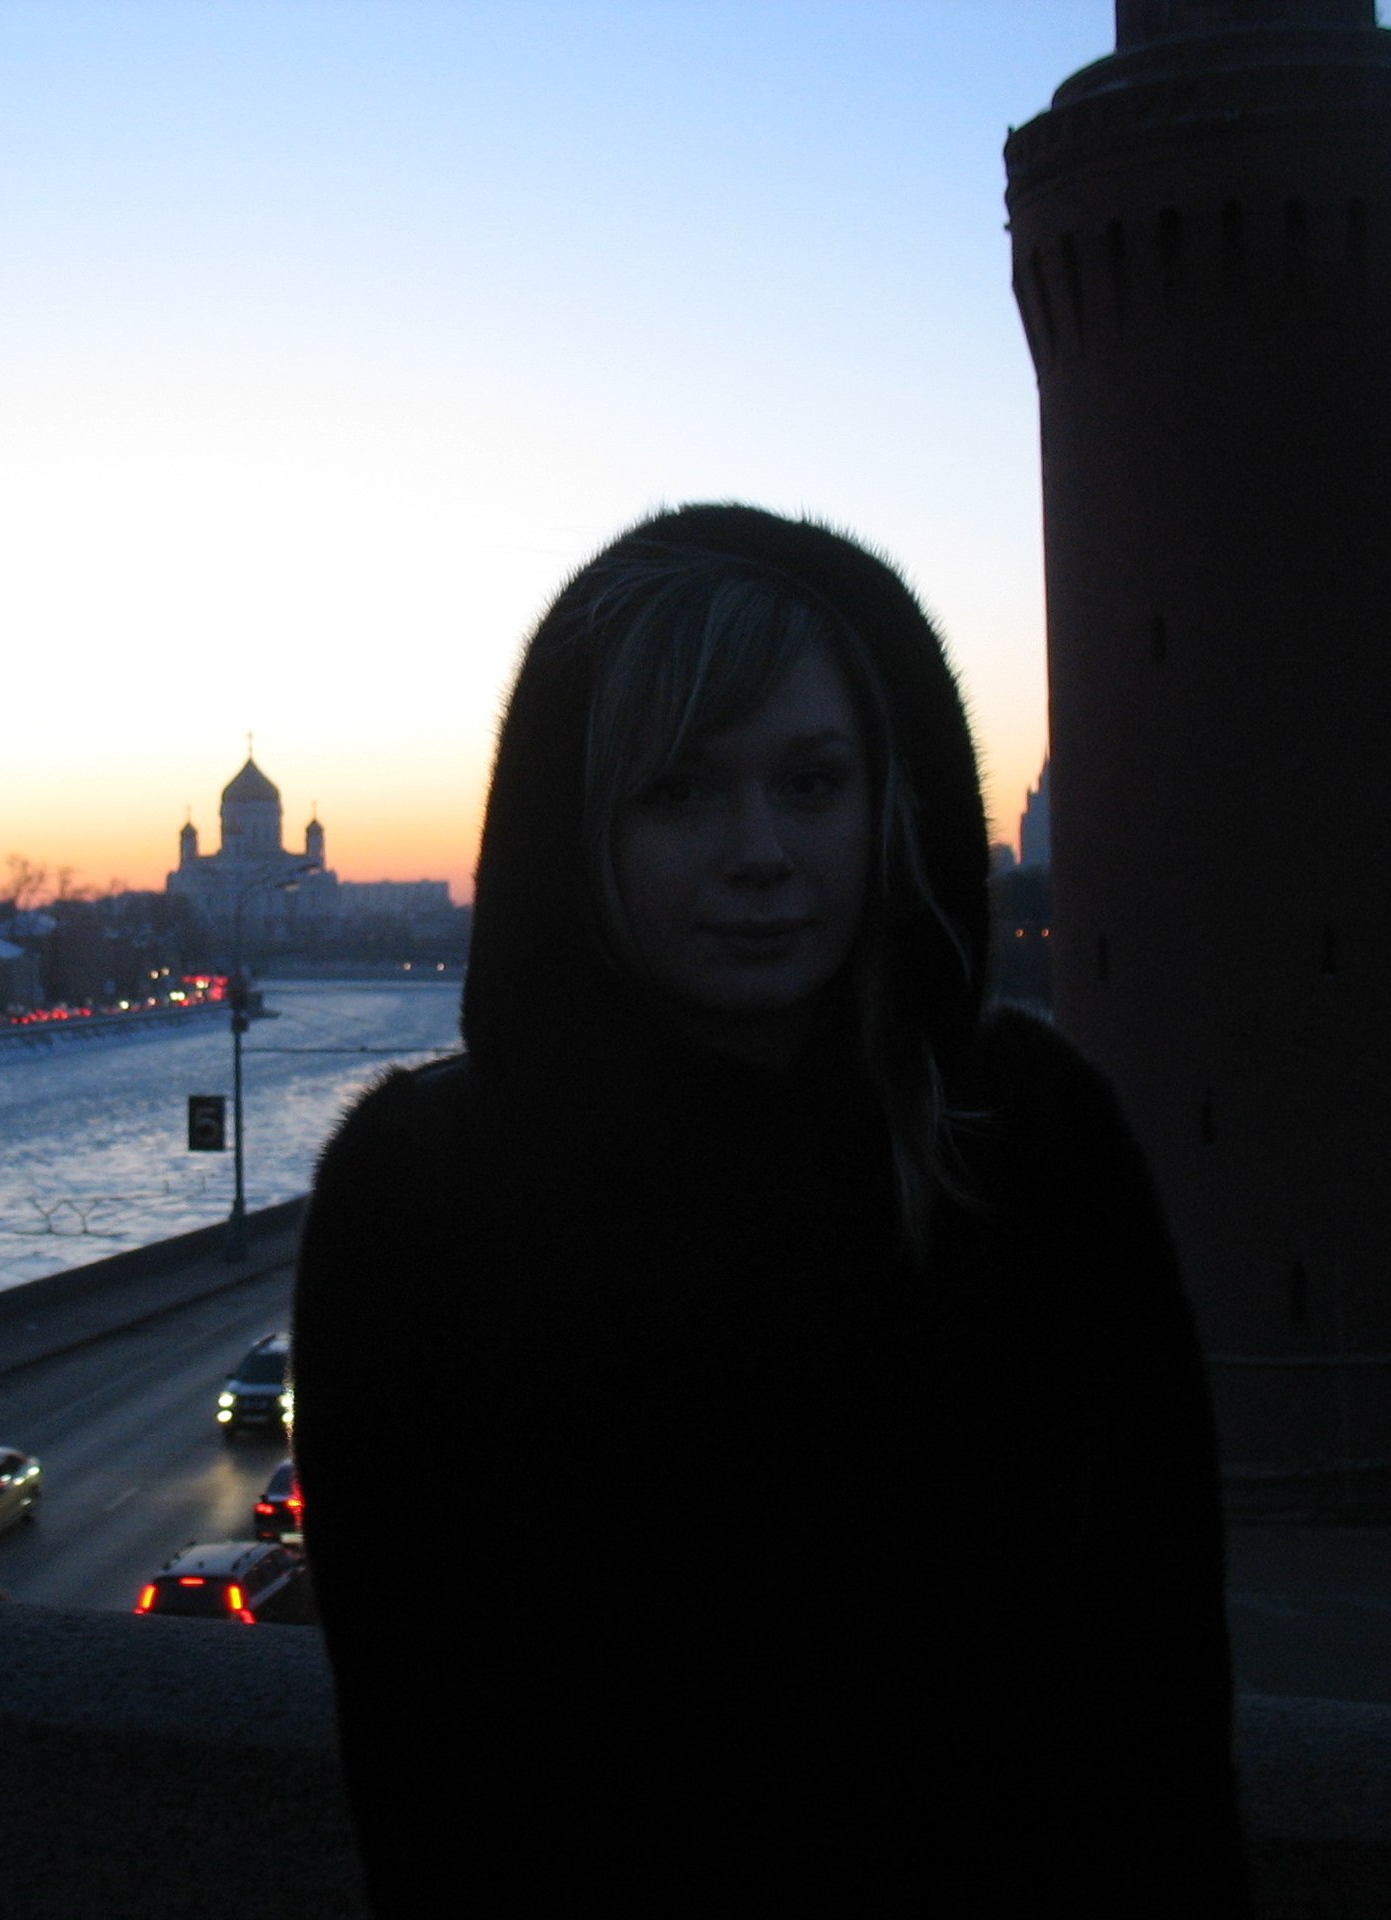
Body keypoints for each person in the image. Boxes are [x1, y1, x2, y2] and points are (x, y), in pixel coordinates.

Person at [292, 505, 1247, 1915]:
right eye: (680, 791)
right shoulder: (422, 1209)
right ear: (579, 830)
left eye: (810, 783)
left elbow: (1157, 1679)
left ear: (888, 799)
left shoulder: (1032, 1142)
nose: (759, 853)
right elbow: (429, 1768)